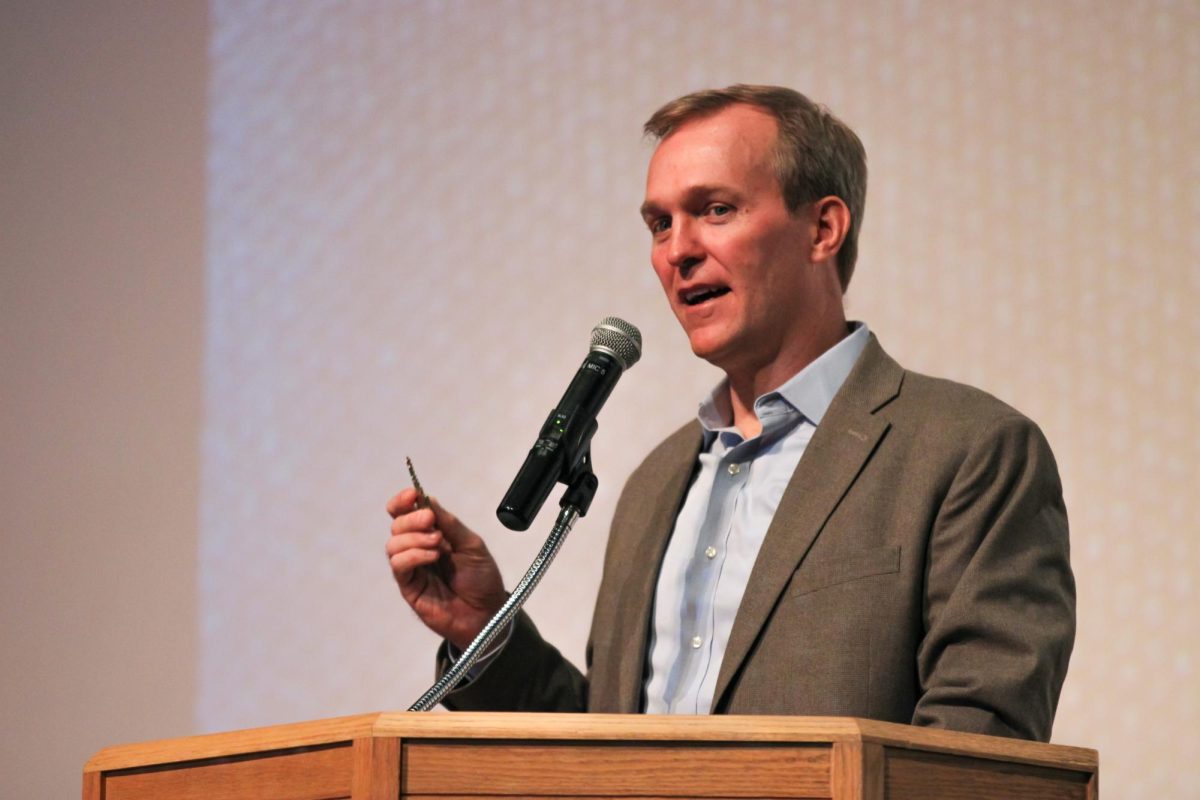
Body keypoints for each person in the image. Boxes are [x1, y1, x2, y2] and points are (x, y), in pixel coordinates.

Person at [386, 85, 1075, 742]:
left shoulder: (968, 452)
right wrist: (487, 631)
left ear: (823, 228)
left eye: (715, 209)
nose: (678, 250)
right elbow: (610, 753)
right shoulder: (654, 484)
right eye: (660, 223)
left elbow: (977, 752)